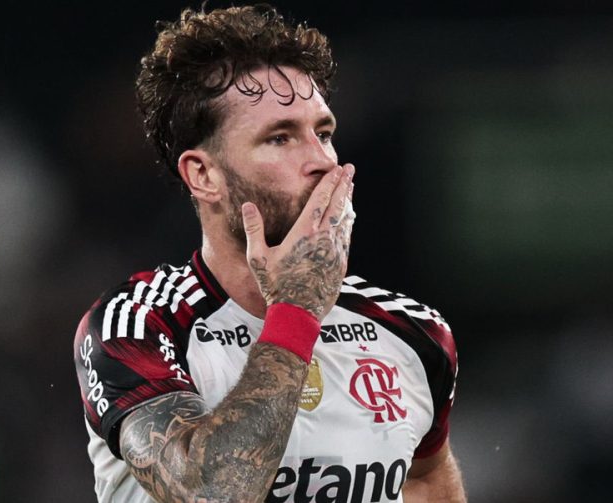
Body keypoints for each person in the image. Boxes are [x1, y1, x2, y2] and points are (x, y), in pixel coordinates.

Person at [73, 4, 465, 502]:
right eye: (280, 138)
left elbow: (425, 477)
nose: (322, 161)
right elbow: (211, 493)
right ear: (203, 175)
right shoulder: (139, 325)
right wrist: (297, 308)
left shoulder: (410, 331)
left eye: (323, 133)